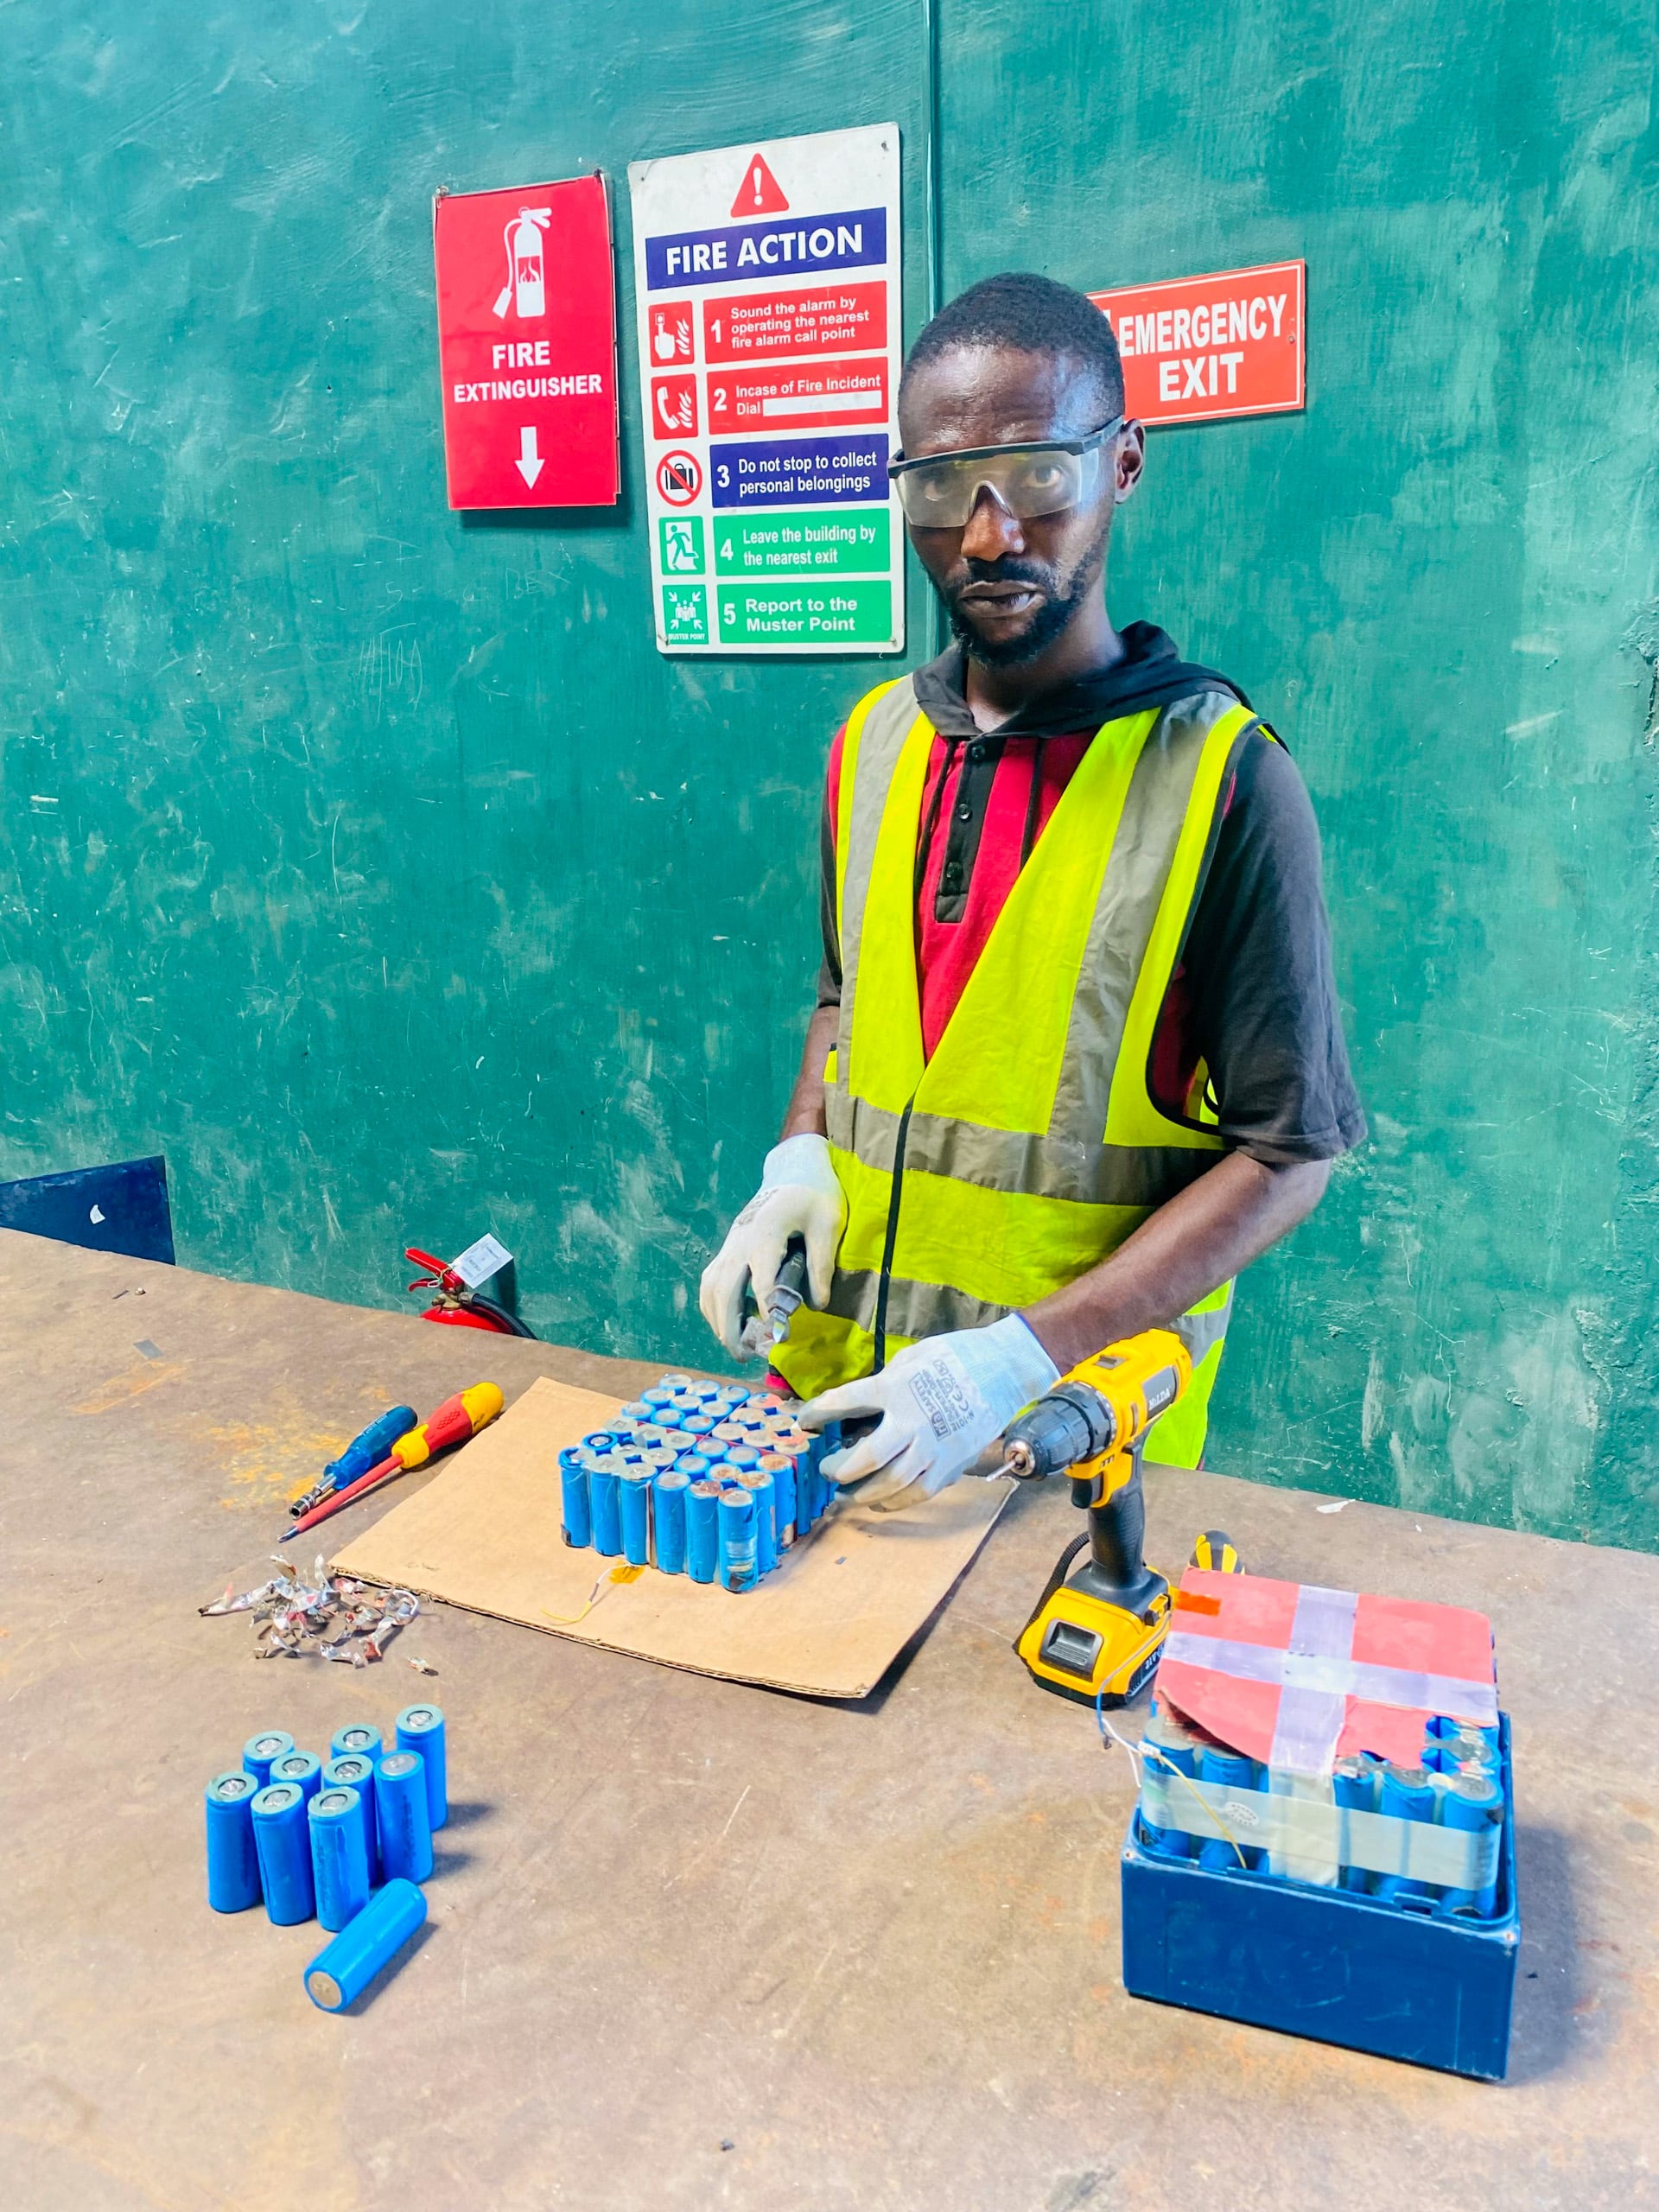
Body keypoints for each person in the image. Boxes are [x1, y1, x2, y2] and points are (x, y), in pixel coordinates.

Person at [700, 273, 1364, 1511]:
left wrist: (1017, 1361)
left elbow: (1290, 1155)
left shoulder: (1225, 782)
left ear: (1121, 464)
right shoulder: (872, 744)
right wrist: (797, 1159)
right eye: (941, 489)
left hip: (1057, 1463)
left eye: (1038, 477)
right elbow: (845, 1003)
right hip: (834, 1432)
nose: (989, 534)